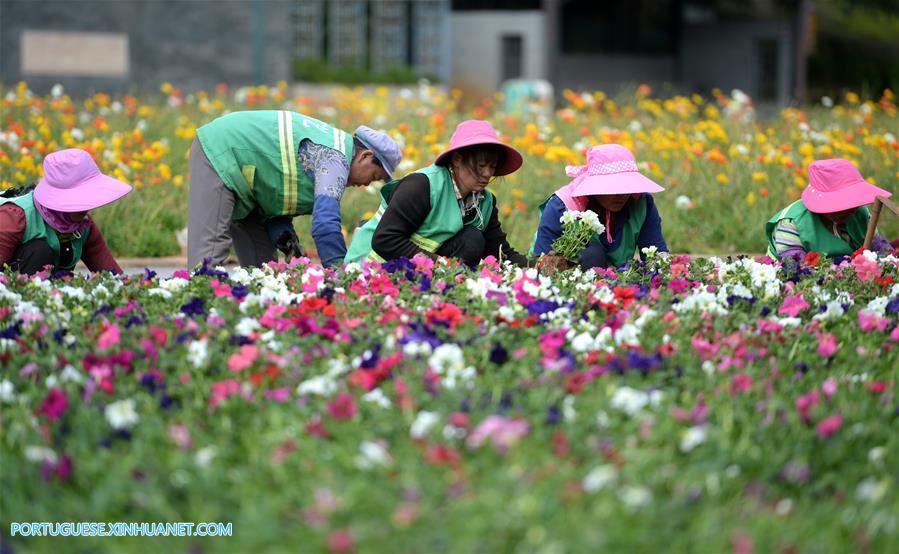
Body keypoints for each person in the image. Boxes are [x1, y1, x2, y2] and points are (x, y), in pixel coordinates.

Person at [188, 110, 402, 268]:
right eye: (374, 177)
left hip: (248, 184)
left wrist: (286, 238)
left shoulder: (332, 152)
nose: (366, 185)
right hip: (221, 150)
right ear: (365, 156)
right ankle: (195, 323)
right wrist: (339, 274)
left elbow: (275, 196)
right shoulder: (335, 159)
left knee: (264, 273)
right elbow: (325, 225)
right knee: (208, 260)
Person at [345, 119, 529, 267]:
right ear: (457, 159)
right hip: (370, 267)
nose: (488, 173)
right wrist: (439, 265)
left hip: (419, 267)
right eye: (481, 165)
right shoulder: (422, 185)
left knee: (472, 238)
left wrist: (539, 266)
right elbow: (386, 240)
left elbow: (500, 253)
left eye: (492, 166)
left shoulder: (484, 202)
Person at [532, 144, 668, 270]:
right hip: (573, 280)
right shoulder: (562, 206)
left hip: (620, 280)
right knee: (592, 254)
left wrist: (663, 275)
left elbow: (655, 254)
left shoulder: (641, 203)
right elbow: (543, 263)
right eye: (611, 188)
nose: (621, 195)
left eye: (626, 186)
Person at [0, 149, 131, 274]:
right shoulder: (14, 217)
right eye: (79, 196)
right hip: (12, 291)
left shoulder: (83, 226)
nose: (86, 205)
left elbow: (113, 275)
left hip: (47, 293)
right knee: (39, 250)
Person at [766, 158, 893, 261]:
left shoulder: (860, 213)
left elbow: (880, 248)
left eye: (853, 200)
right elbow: (794, 268)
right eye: (842, 202)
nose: (852, 210)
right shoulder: (791, 223)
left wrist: (890, 260)